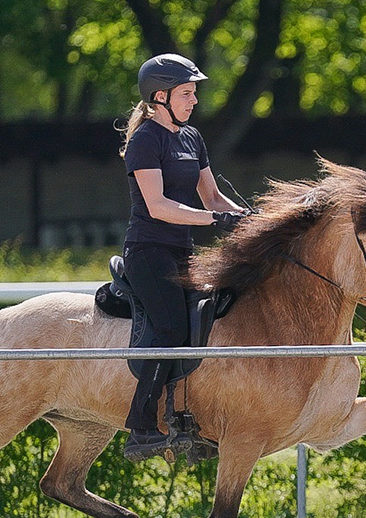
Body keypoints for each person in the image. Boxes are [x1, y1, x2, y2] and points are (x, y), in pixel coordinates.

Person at [118, 53, 247, 460]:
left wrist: (245, 218)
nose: (194, 101)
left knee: (210, 321)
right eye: (187, 93)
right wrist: (214, 220)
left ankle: (186, 419)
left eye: (194, 93)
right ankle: (141, 426)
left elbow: (211, 195)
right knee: (172, 328)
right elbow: (157, 206)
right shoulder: (144, 141)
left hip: (183, 251)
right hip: (148, 252)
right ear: (161, 97)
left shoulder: (191, 137)